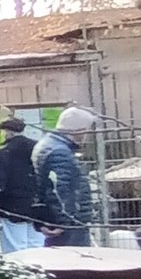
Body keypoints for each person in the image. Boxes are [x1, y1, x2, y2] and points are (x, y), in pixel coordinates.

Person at [35, 106, 99, 247]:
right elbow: (60, 189)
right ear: (79, 130)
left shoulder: (50, 145)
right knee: (76, 263)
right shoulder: (60, 151)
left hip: (59, 220)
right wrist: (64, 222)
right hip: (70, 224)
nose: (87, 135)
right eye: (86, 130)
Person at [0, 118, 46, 253]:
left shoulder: (0, 155)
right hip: (38, 207)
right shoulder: (39, 151)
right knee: (37, 247)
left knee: (15, 249)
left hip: (11, 208)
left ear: (7, 132)